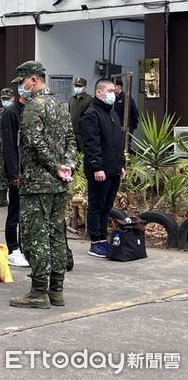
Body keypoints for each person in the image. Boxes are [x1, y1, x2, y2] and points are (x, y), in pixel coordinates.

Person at [9, 61, 76, 309]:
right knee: (57, 235)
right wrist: (66, 166)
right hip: (59, 184)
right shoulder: (59, 105)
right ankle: (56, 290)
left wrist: (55, 166)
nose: (20, 89)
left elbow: (35, 143)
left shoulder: (33, 107)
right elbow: (71, 139)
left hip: (37, 183)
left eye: (22, 82)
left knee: (35, 237)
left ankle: (39, 291)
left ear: (34, 80)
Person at [81, 79, 126, 258]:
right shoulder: (91, 114)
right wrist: (97, 167)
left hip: (113, 168)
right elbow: (92, 144)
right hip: (99, 170)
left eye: (114, 91)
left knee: (107, 206)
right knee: (96, 204)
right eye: (109, 90)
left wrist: (121, 164)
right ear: (99, 93)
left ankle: (103, 238)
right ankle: (96, 242)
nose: (113, 94)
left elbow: (117, 142)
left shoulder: (112, 114)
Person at [0, 94, 30, 267]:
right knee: (15, 211)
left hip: (32, 173)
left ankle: (25, 247)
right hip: (18, 171)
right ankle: (13, 248)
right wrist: (13, 174)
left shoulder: (34, 111)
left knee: (27, 214)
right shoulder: (11, 113)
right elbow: (9, 146)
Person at [0, 88, 14, 208]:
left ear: (13, 99)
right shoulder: (0, 112)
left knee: (14, 173)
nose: (5, 101)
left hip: (13, 149)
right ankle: (2, 198)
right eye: (3, 99)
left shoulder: (18, 111)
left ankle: (15, 198)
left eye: (7, 99)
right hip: (1, 147)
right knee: (1, 172)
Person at [68, 77, 93, 152]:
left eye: (79, 86)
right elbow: (69, 114)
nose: (77, 88)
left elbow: (91, 118)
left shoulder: (89, 100)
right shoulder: (71, 99)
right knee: (72, 155)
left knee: (84, 155)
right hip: (72, 134)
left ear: (85, 87)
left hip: (84, 135)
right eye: (76, 86)